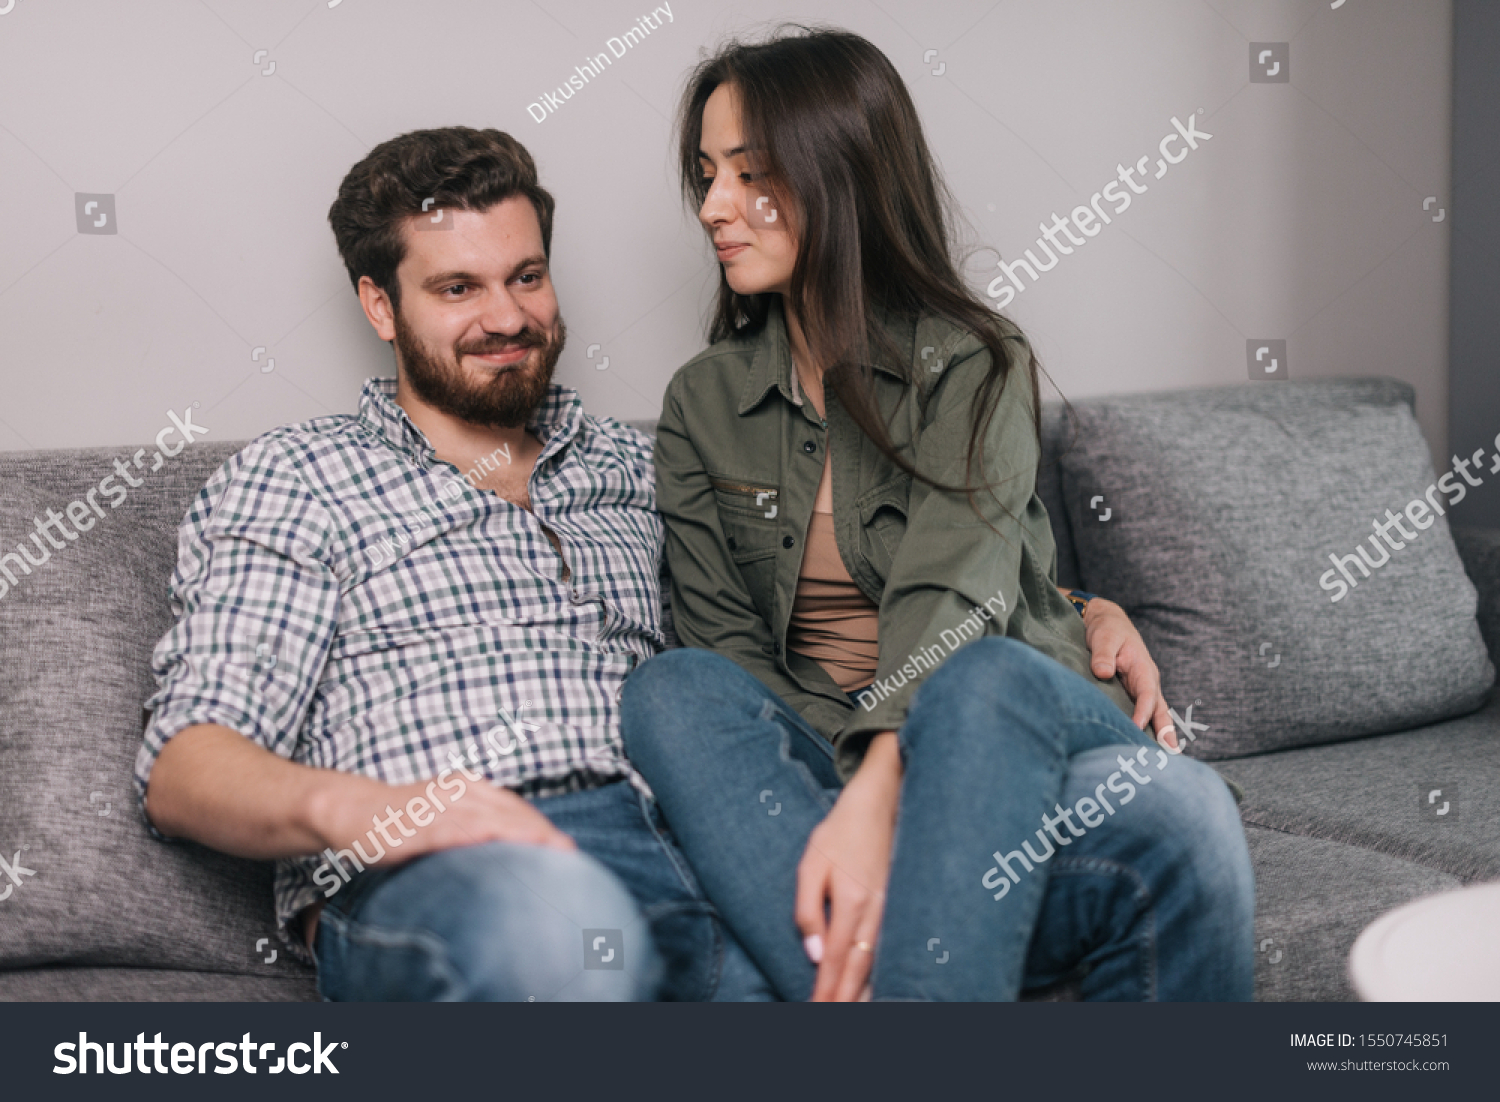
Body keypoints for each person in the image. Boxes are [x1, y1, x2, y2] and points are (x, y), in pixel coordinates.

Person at [620, 26, 1255, 1002]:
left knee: (985, 681)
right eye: (705, 174)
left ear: (840, 175)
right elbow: (730, 645)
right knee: (674, 688)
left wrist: (881, 781)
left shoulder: (974, 359)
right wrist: (850, 782)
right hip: (825, 748)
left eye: (748, 174)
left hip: (1012, 719)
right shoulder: (702, 404)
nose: (712, 207)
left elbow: (951, 592)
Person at [134, 126, 784, 1001]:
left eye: (526, 276)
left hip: (695, 862)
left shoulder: (640, 467)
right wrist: (375, 809)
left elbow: (766, 662)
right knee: (557, 931)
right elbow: (187, 768)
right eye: (456, 288)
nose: (508, 318)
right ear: (379, 306)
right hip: (458, 875)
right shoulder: (300, 475)